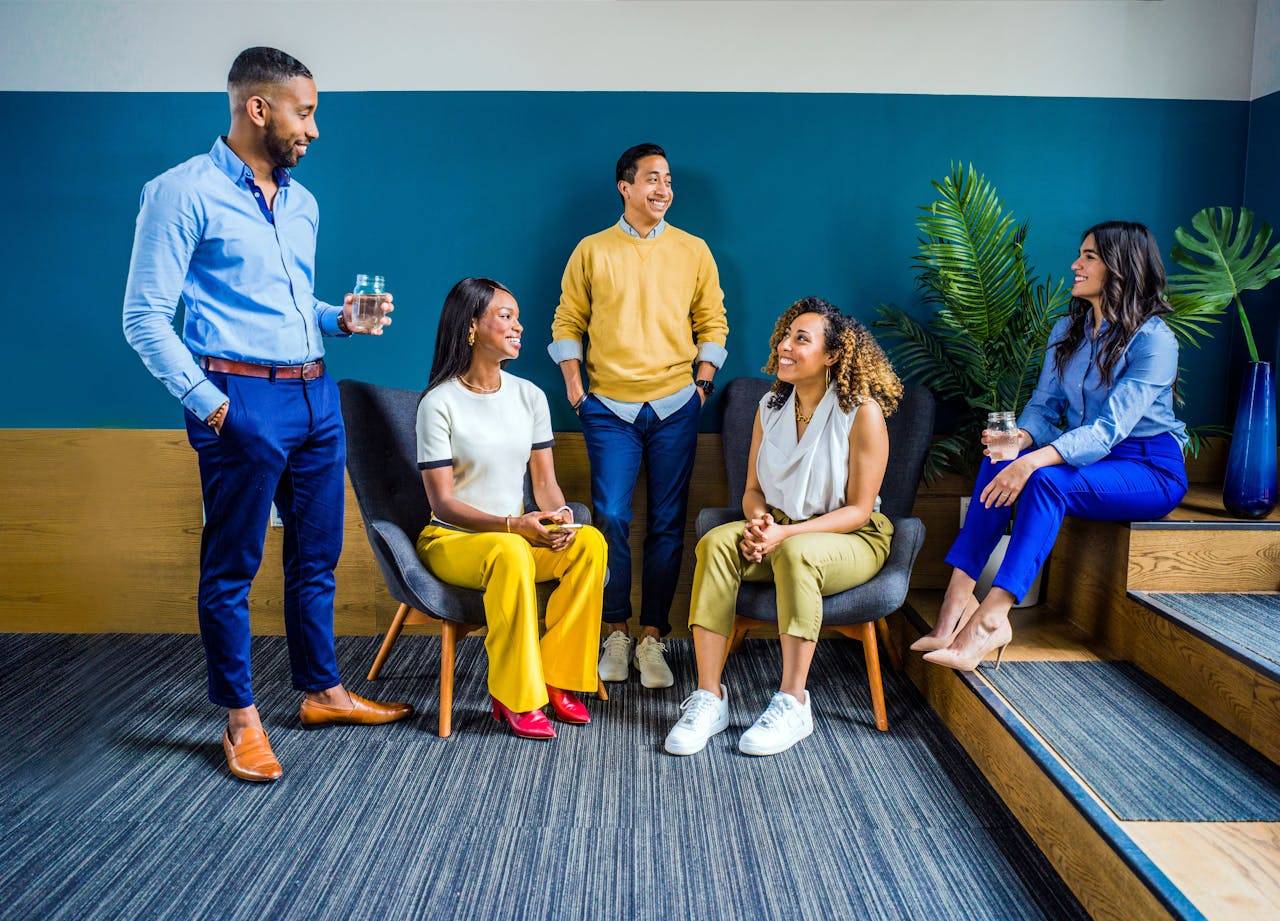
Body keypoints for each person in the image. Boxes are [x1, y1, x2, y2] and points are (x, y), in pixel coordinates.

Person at [122, 47, 411, 783]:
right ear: (259, 108)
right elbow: (145, 317)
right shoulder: (179, 193)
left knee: (315, 556)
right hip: (240, 399)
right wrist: (213, 406)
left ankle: (322, 691)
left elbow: (291, 306)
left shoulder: (303, 202)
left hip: (317, 394)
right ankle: (241, 718)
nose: (313, 129)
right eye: (304, 111)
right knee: (233, 567)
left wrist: (339, 318)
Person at [914, 221, 1189, 671]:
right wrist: (1019, 439)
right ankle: (956, 602)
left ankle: (993, 619)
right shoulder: (1068, 330)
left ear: (1122, 267)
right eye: (1080, 254)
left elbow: (1108, 429)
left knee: (1042, 481)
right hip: (1086, 458)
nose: (1075, 265)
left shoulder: (1155, 340)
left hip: (1147, 467)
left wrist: (1033, 461)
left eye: (1089, 257)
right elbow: (1044, 407)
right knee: (1001, 457)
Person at [663, 297, 901, 757]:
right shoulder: (769, 406)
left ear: (833, 355)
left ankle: (793, 703)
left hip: (850, 536)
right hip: (780, 530)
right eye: (785, 336)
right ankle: (710, 698)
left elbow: (857, 509)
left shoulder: (862, 412)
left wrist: (784, 536)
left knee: (796, 553)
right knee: (716, 543)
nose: (784, 346)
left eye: (801, 338)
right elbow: (752, 490)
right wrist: (758, 523)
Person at [549, 143, 730, 690]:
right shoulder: (591, 250)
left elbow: (713, 321)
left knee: (669, 524)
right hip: (607, 408)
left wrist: (701, 386)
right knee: (609, 518)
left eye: (668, 180)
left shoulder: (694, 249)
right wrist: (578, 391)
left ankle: (652, 637)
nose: (663, 189)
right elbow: (567, 319)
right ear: (624, 187)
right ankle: (615, 630)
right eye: (652, 179)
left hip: (677, 405)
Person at [416, 278, 608, 740]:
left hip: (515, 536)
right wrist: (512, 526)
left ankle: (557, 678)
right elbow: (441, 502)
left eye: (517, 316)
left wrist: (560, 517)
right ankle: (515, 694)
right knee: (511, 552)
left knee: (589, 542)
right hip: (452, 540)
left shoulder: (529, 396)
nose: (519, 326)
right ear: (471, 326)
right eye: (505, 316)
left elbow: (545, 485)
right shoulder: (438, 403)